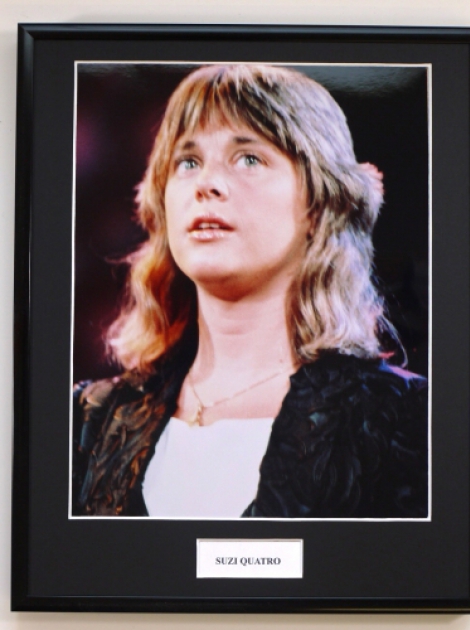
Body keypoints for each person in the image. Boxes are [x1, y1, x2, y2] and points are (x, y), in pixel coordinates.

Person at [72, 64, 428, 518]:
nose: (207, 184)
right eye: (188, 162)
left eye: (248, 159)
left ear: (319, 203)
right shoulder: (88, 421)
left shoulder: (405, 420)